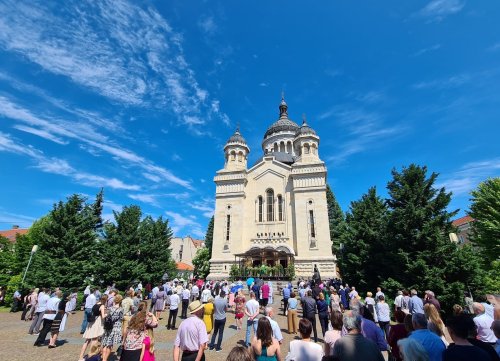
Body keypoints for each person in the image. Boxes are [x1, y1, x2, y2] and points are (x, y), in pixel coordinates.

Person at [79, 294, 107, 361]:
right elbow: (103, 316)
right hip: (97, 323)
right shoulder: (102, 306)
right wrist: (107, 314)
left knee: (87, 341)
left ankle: (80, 357)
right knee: (94, 340)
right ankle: (91, 356)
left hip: (91, 323)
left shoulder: (95, 304)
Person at [101, 294, 123, 361]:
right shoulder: (121, 309)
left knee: (105, 343)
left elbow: (106, 317)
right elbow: (121, 318)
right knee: (110, 345)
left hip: (108, 327)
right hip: (115, 328)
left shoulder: (110, 308)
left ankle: (103, 358)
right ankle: (105, 359)